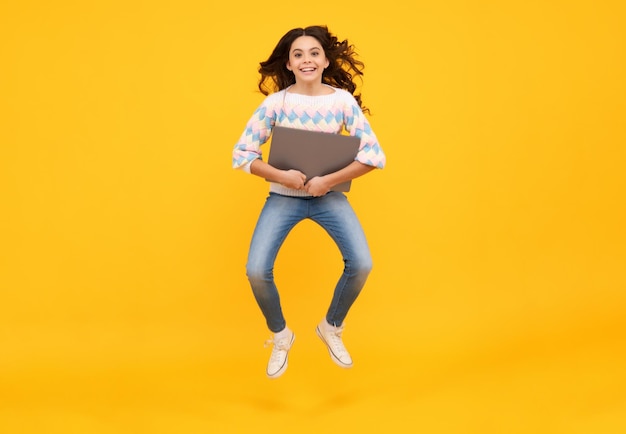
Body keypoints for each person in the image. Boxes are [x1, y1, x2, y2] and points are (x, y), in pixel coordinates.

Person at [232, 25, 386, 378]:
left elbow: (374, 155)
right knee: (256, 270)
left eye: (314, 53)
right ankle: (281, 335)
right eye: (298, 54)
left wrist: (327, 181)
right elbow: (242, 154)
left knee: (361, 264)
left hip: (328, 197)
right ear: (288, 64)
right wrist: (280, 176)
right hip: (283, 198)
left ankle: (331, 326)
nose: (306, 60)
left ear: (325, 60)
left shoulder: (341, 102)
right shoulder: (275, 103)